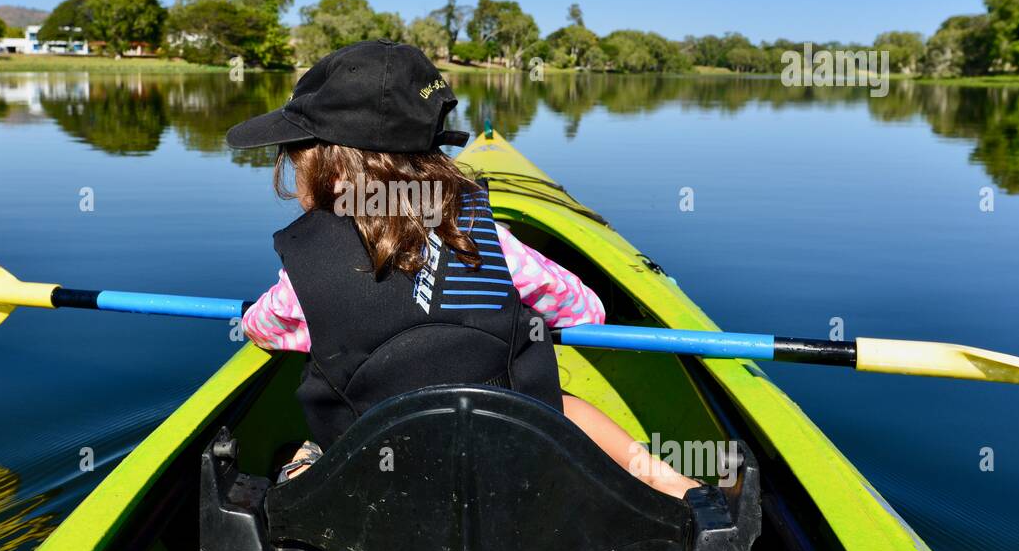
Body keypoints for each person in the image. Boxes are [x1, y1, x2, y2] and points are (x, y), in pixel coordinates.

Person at [226, 40, 698, 499]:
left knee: (307, 452)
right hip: (510, 453)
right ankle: (670, 484)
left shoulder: (304, 272)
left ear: (328, 171)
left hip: (380, 470)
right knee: (565, 407)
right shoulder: (485, 234)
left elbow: (263, 327)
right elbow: (585, 312)